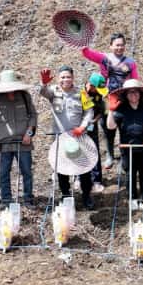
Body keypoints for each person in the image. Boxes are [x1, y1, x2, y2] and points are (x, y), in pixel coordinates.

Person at [40, 66, 95, 209]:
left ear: (73, 78)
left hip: (78, 138)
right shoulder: (54, 91)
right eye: (62, 77)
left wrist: (82, 127)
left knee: (83, 168)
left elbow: (89, 112)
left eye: (68, 77)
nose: (65, 80)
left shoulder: (81, 93)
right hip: (60, 138)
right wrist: (44, 83)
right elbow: (43, 92)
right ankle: (65, 195)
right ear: (59, 79)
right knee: (62, 170)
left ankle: (86, 196)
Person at [82, 33, 138, 169]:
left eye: (122, 45)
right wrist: (82, 45)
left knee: (125, 129)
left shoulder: (130, 63)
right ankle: (110, 154)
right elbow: (88, 54)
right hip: (107, 99)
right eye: (117, 45)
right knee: (107, 128)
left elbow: (135, 79)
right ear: (111, 46)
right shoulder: (104, 58)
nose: (119, 47)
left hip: (124, 100)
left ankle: (125, 155)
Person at [0, 70, 37, 206]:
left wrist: (29, 133)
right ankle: (6, 199)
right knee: (3, 172)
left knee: (26, 171)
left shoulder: (24, 96)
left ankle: (28, 199)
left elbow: (33, 115)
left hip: (23, 141)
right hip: (3, 143)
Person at [106, 79, 143, 201]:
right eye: (130, 92)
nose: (133, 94)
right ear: (126, 94)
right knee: (130, 174)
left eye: (136, 92)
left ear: (140, 93)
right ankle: (133, 199)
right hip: (127, 148)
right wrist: (111, 110)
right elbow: (110, 126)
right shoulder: (121, 108)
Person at [81, 72, 108, 192]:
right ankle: (79, 178)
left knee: (94, 151)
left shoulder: (98, 94)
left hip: (92, 127)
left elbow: (101, 111)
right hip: (80, 128)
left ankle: (97, 180)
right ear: (90, 85)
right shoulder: (79, 93)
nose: (98, 91)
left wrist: (93, 121)